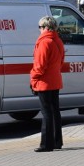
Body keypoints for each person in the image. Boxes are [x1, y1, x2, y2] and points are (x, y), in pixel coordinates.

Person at [31, 16, 65, 152]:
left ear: (45, 27)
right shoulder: (58, 41)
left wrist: (33, 79)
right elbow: (61, 61)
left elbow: (39, 65)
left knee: (46, 113)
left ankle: (46, 144)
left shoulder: (45, 42)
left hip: (44, 82)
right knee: (55, 111)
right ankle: (57, 141)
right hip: (55, 80)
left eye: (40, 27)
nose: (39, 30)